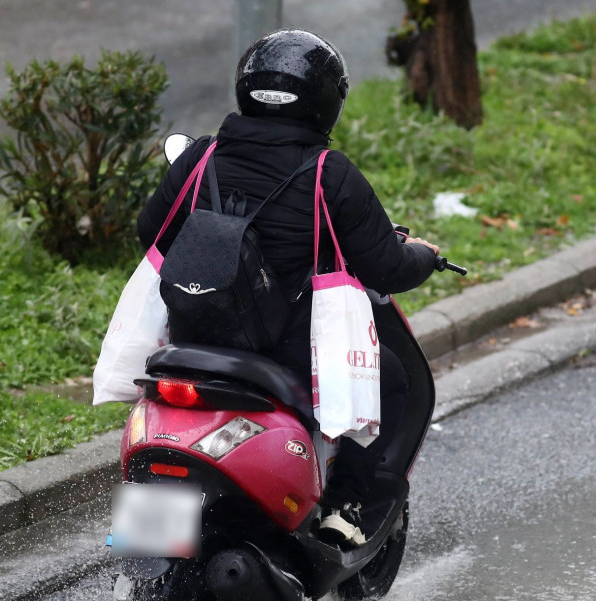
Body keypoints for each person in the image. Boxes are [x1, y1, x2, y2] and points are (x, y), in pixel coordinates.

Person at [136, 29, 440, 547]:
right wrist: (426, 257)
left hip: (194, 336)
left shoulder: (201, 157)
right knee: (390, 379)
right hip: (284, 347)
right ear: (327, 102)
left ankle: (156, 529)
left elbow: (151, 233)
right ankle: (344, 509)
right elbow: (386, 268)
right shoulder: (329, 174)